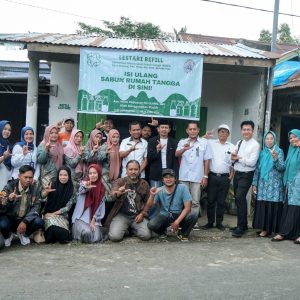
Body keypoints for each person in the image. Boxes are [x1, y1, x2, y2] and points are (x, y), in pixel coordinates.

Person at [146, 168, 198, 241]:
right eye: (166, 177)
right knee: (151, 225)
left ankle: (183, 233)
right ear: (163, 180)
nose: (168, 179)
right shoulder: (159, 190)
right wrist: (152, 195)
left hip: (179, 215)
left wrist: (177, 222)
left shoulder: (182, 187)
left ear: (175, 179)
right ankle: (163, 232)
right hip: (165, 215)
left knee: (194, 214)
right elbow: (149, 207)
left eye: (171, 177)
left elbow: (187, 208)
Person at [105, 160, 151, 242]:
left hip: (137, 216)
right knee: (115, 237)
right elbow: (113, 193)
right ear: (126, 170)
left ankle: (132, 229)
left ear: (139, 170)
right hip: (122, 215)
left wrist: (142, 214)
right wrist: (119, 192)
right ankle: (125, 229)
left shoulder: (144, 184)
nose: (133, 171)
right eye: (131, 169)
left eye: (136, 169)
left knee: (146, 235)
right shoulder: (120, 181)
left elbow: (148, 202)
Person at [0, 165, 44, 247]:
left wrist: (25, 221)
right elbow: (2, 202)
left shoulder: (35, 188)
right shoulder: (9, 186)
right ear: (19, 176)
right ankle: (8, 235)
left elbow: (36, 207)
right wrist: (9, 200)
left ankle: (24, 235)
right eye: (25, 177)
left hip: (25, 218)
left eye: (30, 177)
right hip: (11, 218)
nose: (28, 180)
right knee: (3, 224)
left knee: (39, 222)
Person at [175, 121, 212, 219]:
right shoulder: (182, 141)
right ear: (187, 130)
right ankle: (183, 220)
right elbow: (176, 154)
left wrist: (205, 176)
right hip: (184, 176)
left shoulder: (204, 142)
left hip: (197, 176)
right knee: (183, 200)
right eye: (190, 129)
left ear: (198, 130)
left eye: (194, 129)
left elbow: (207, 160)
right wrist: (184, 149)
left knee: (195, 201)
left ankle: (193, 222)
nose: (192, 131)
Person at [252, 131, 285, 237]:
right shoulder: (262, 153)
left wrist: (275, 158)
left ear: (274, 140)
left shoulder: (279, 151)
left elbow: (282, 168)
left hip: (274, 185)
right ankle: (265, 230)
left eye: (271, 138)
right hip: (262, 185)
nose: (269, 141)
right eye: (267, 138)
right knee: (264, 207)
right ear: (264, 140)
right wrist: (254, 183)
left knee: (273, 207)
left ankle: (272, 230)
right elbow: (257, 169)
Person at [231, 120, 260, 237]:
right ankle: (242, 224)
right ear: (241, 130)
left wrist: (239, 158)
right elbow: (233, 156)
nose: (246, 131)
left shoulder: (255, 145)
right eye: (244, 129)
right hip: (237, 173)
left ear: (252, 131)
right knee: (238, 199)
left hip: (247, 175)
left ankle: (241, 227)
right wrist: (234, 158)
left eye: (248, 129)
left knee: (239, 197)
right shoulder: (239, 142)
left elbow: (252, 163)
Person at [203, 124, 235, 231]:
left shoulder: (232, 146)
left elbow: (234, 162)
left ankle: (219, 223)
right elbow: (199, 142)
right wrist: (205, 136)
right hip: (212, 176)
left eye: (225, 132)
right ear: (218, 133)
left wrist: (231, 175)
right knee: (211, 200)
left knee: (221, 202)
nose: (223, 133)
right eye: (221, 131)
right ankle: (210, 222)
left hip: (225, 177)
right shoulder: (211, 143)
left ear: (228, 134)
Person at [272, 129, 300, 244]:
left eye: (295, 137)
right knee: (289, 209)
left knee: (297, 209)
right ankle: (284, 233)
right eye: (290, 138)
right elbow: (282, 168)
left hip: (298, 186)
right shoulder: (291, 151)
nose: (292, 139)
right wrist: (276, 158)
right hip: (289, 185)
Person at [72, 164, 106, 243]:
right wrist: (86, 187)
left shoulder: (102, 189)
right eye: (90, 173)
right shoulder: (84, 184)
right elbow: (81, 190)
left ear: (99, 174)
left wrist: (94, 219)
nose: (92, 175)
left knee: (96, 238)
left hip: (95, 219)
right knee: (87, 233)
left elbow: (100, 207)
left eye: (95, 173)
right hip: (80, 219)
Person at [42, 166, 75, 244]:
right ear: (58, 175)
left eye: (65, 175)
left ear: (69, 176)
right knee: (52, 230)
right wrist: (46, 192)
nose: (63, 177)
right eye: (60, 175)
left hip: (62, 216)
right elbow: (42, 197)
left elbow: (67, 208)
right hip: (47, 214)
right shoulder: (52, 184)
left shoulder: (72, 188)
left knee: (63, 235)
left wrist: (53, 214)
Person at [147, 120, 178, 188]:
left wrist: (175, 174)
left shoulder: (174, 142)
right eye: (162, 127)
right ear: (158, 129)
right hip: (156, 173)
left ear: (169, 130)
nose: (164, 129)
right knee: (156, 195)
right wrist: (157, 150)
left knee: (168, 195)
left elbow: (175, 160)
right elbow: (149, 158)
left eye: (166, 128)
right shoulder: (152, 141)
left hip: (169, 173)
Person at [0, 120, 13, 191]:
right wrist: (4, 157)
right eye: (5, 129)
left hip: (5, 177)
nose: (7, 131)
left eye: (9, 130)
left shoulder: (8, 144)